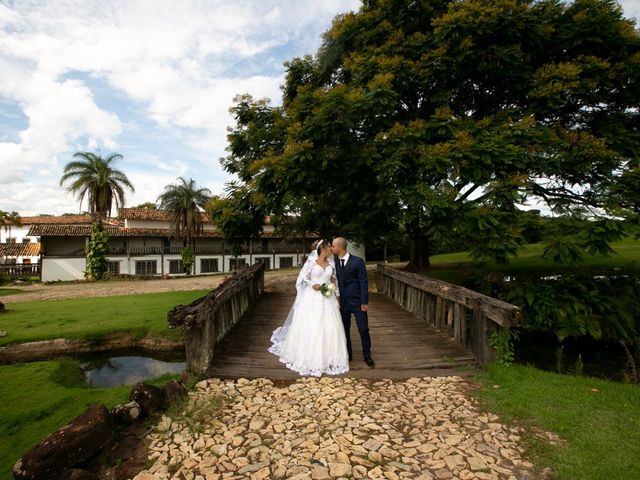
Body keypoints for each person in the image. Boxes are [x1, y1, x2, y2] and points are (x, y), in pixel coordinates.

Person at [268, 239, 349, 377]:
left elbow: (335, 280)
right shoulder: (311, 262)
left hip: (328, 299)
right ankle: (309, 357)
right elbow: (302, 278)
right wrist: (313, 284)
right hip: (313, 297)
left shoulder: (332, 263)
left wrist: (337, 295)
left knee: (330, 327)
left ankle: (329, 358)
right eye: (329, 246)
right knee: (312, 325)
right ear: (322, 249)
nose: (331, 248)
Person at [331, 237, 375, 367]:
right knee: (345, 329)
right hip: (342, 303)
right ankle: (348, 354)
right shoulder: (334, 263)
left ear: (340, 248)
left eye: (333, 246)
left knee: (363, 329)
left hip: (357, 302)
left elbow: (363, 282)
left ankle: (367, 356)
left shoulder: (358, 261)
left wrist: (364, 302)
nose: (332, 248)